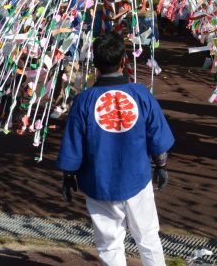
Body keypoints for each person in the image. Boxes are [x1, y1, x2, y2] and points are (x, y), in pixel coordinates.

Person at [57, 31, 174, 266]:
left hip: (99, 182)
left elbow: (73, 144)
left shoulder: (84, 100)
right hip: (137, 179)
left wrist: (68, 175)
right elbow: (157, 136)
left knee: (109, 245)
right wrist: (161, 165)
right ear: (124, 61)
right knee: (148, 237)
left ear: (95, 64)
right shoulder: (141, 93)